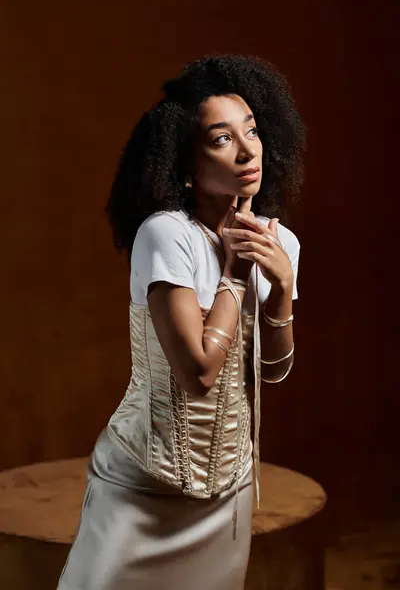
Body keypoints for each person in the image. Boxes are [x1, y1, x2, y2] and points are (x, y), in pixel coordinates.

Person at [57, 54, 305, 590]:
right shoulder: (166, 234)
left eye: (253, 132)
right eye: (221, 139)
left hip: (230, 493)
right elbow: (197, 374)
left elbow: (273, 373)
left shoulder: (277, 241)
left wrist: (282, 289)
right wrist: (236, 277)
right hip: (144, 490)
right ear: (186, 165)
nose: (247, 151)